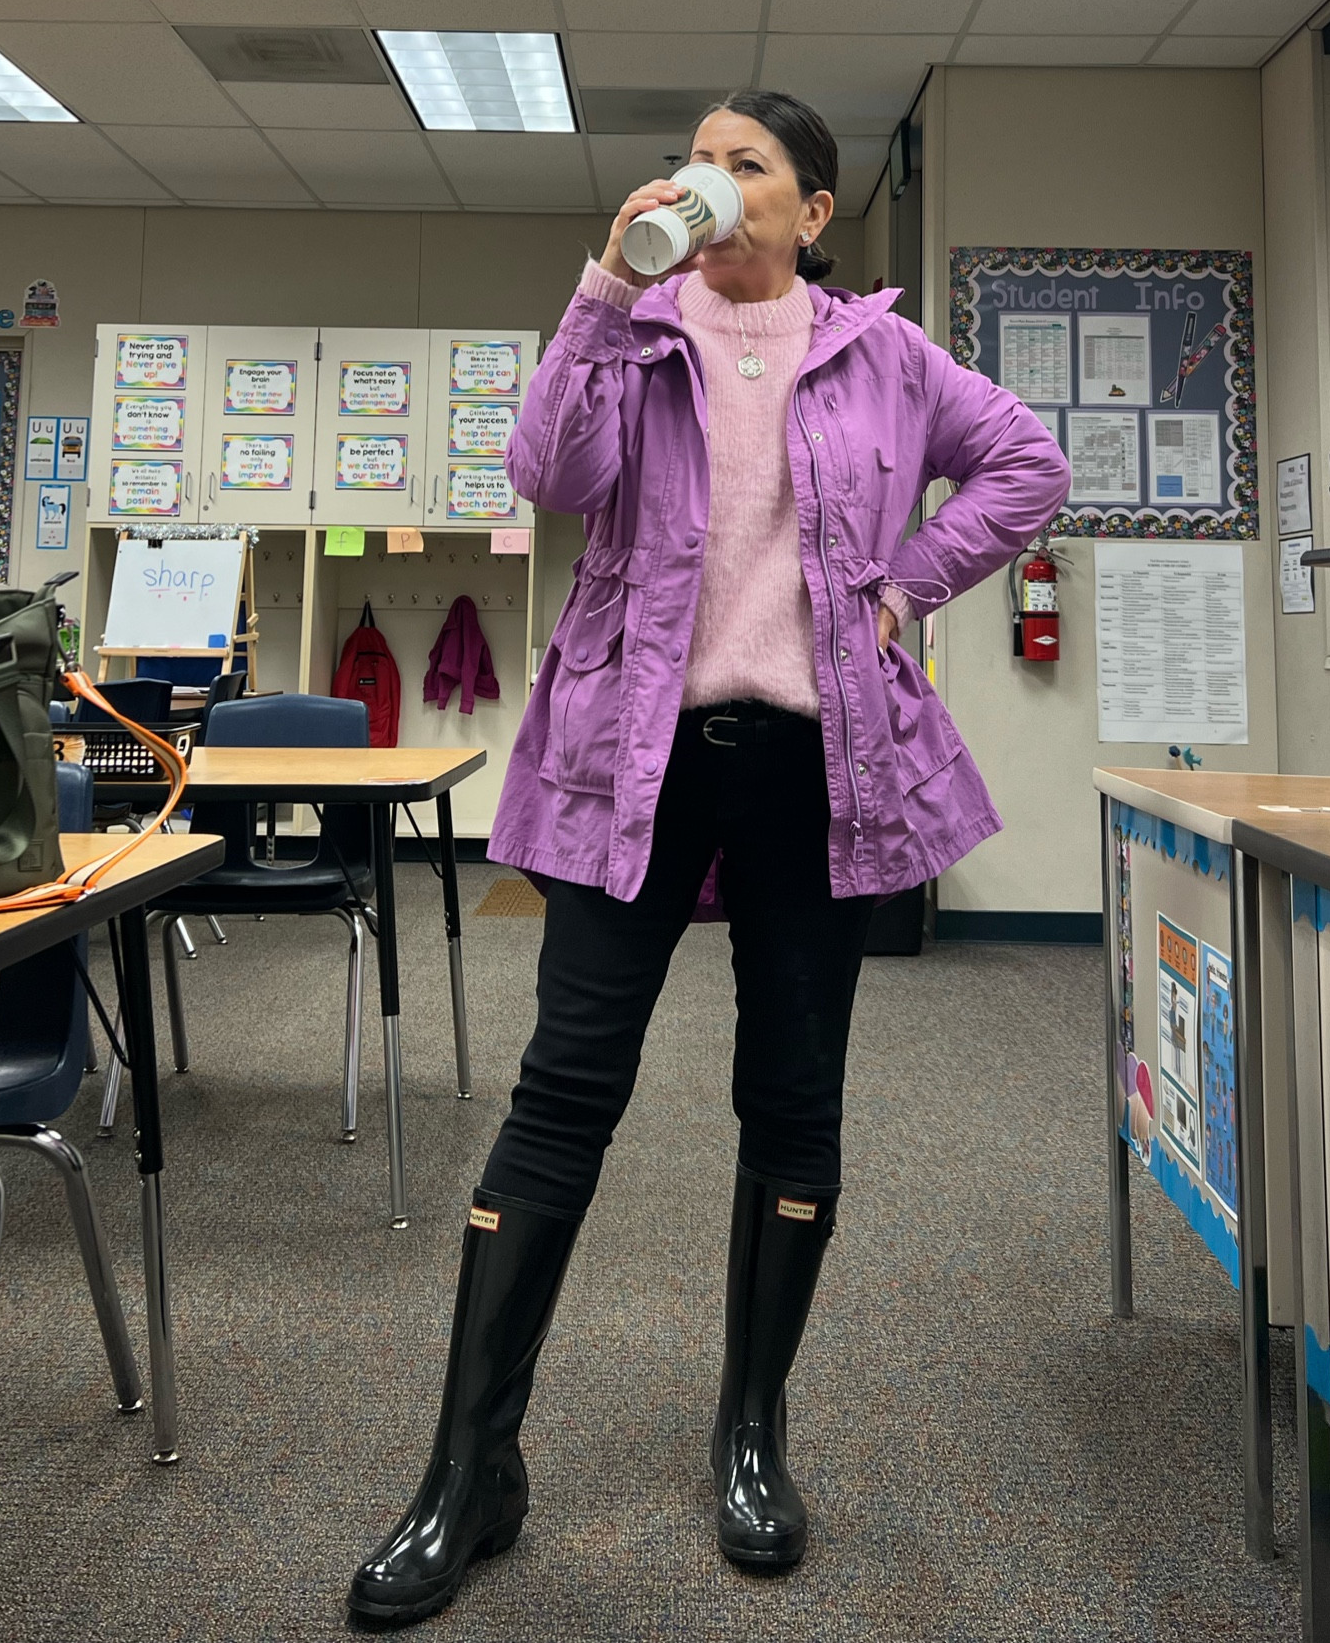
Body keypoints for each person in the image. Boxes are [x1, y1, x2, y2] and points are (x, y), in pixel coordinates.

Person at [347, 90, 1071, 1628]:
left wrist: (911, 577)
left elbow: (1024, 465)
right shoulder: (640, 329)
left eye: (746, 164)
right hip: (636, 757)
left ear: (812, 211)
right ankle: (468, 1468)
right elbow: (545, 475)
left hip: (820, 764)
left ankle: (752, 1434)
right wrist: (605, 287)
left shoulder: (881, 353)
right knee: (562, 1092)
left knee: (792, 1096)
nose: (710, 180)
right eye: (697, 157)